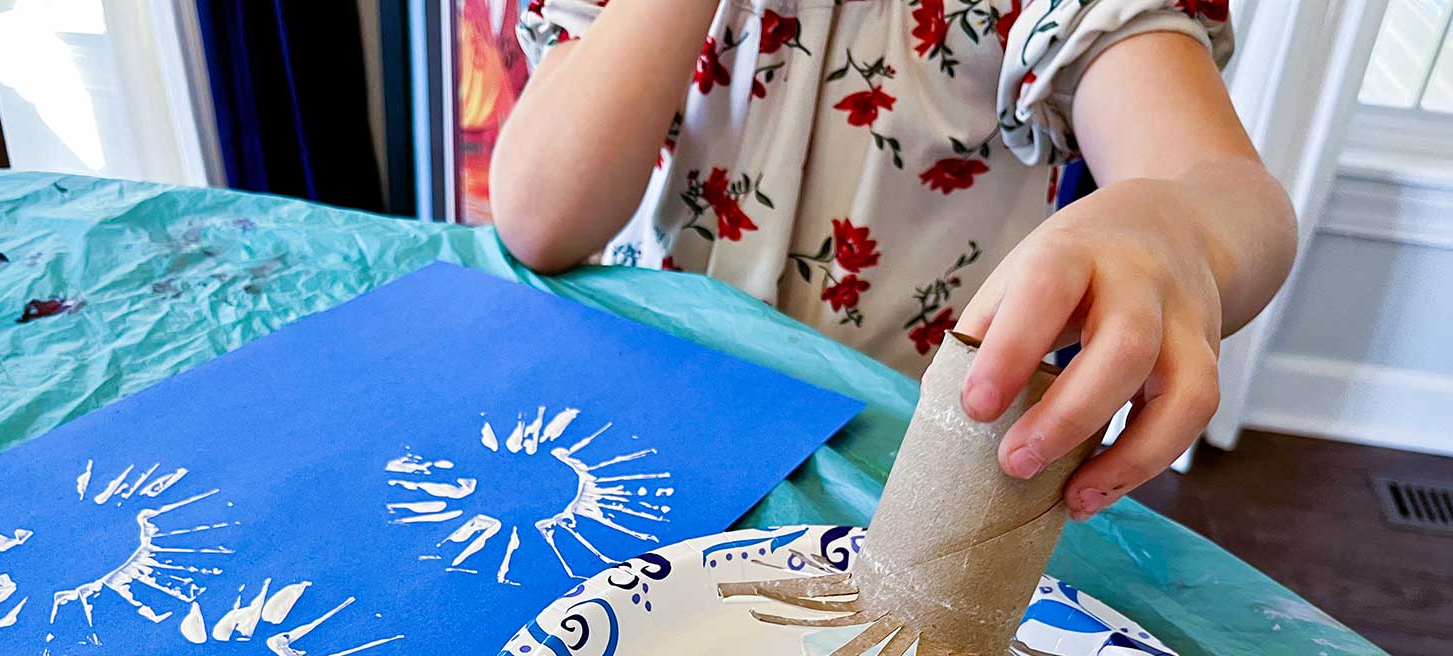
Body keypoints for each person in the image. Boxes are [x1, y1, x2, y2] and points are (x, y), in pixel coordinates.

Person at [488, 0, 1296, 519]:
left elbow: (1227, 189)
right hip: (624, 432)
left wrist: (1177, 227)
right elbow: (541, 218)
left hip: (884, 485)